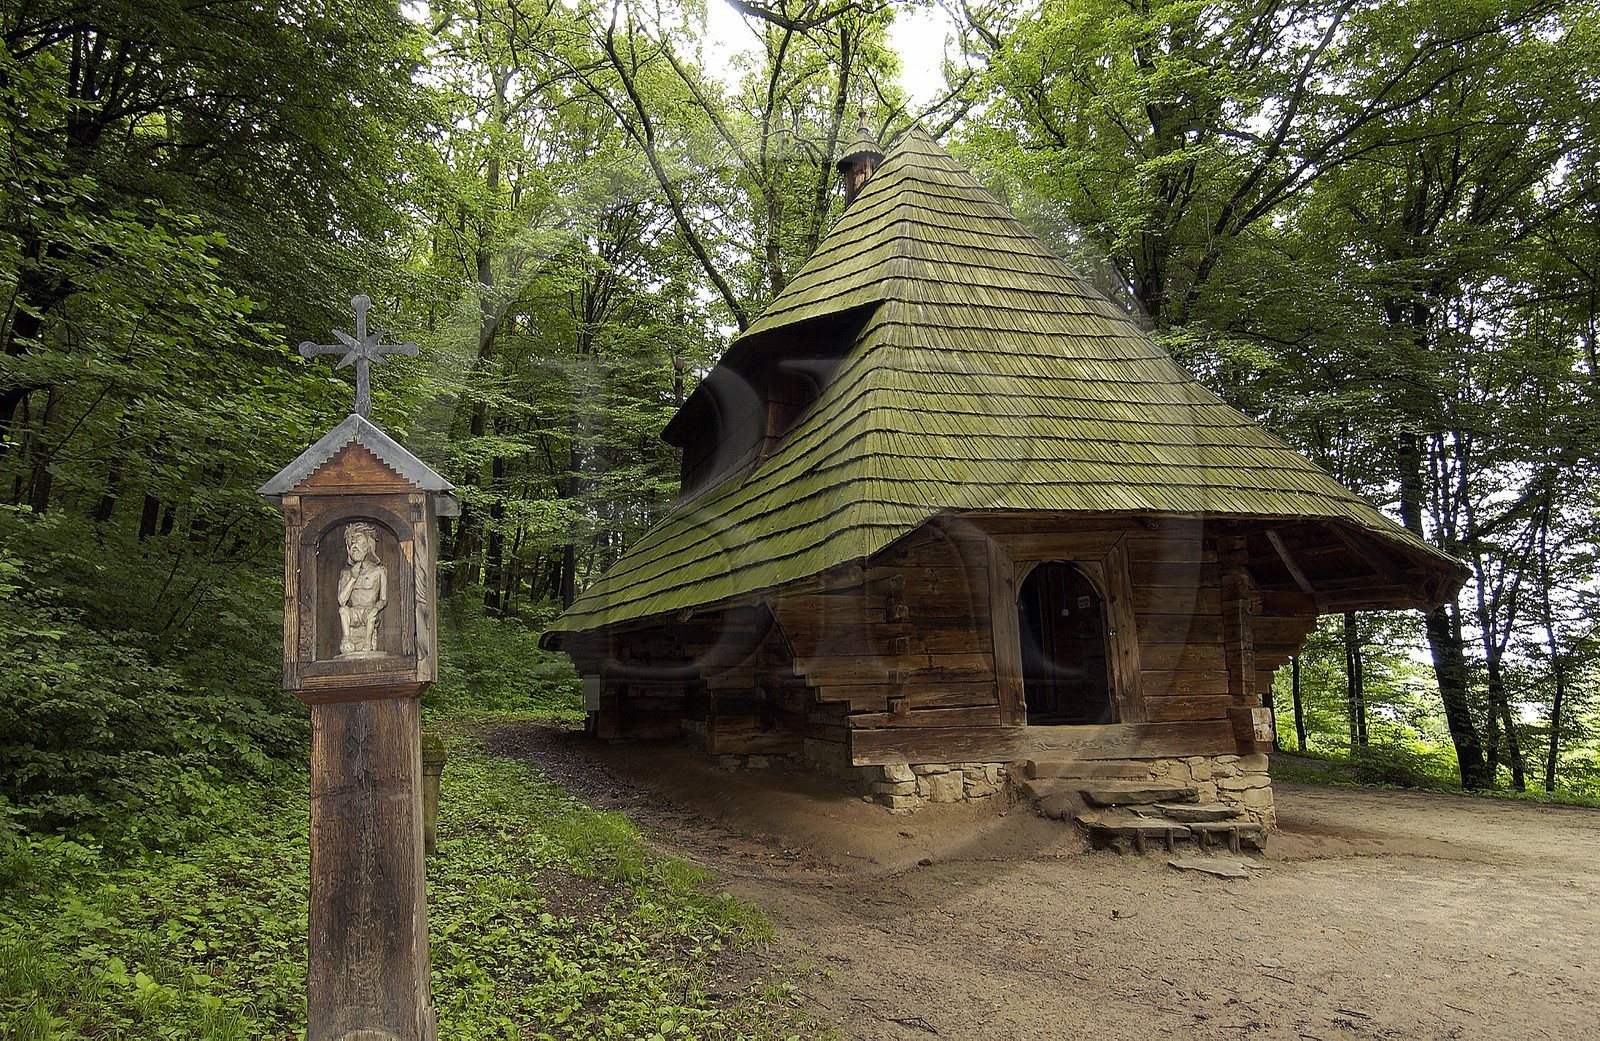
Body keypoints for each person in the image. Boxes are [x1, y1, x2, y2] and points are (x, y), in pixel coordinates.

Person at [337, 521, 388, 656]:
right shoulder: (346, 574)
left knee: (371, 614)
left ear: (368, 545)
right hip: (354, 613)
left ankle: (367, 643)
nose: (354, 544)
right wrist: (353, 578)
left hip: (369, 611)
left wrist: (376, 608)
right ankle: (346, 638)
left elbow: (383, 599)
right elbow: (342, 601)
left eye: (358, 539)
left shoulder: (379, 571)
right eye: (351, 542)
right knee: (343, 610)